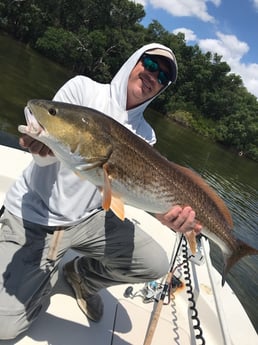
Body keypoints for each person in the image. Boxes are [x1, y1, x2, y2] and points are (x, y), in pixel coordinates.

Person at [0, 43, 201, 339]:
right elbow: (46, 150)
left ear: (162, 88)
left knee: (155, 263)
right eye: (150, 64)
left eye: (162, 76)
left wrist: (166, 217)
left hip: (89, 220)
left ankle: (82, 277)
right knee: (6, 329)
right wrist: (42, 149)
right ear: (134, 61)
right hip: (35, 215)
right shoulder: (83, 90)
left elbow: (130, 191)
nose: (152, 75)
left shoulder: (146, 135)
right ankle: (43, 273)